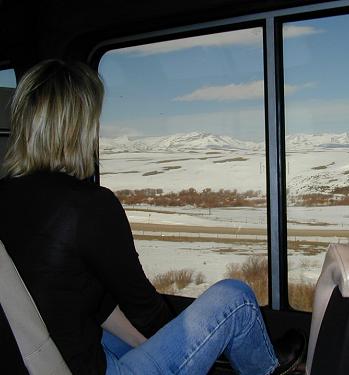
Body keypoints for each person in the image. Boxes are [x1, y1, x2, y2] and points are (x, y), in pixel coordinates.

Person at [0, 60, 305, 375]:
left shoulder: (6, 195)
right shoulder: (89, 206)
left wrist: (154, 343)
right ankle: (269, 368)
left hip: (46, 355)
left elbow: (85, 297)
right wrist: (192, 341)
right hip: (82, 368)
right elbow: (145, 309)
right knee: (236, 298)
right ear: (79, 128)